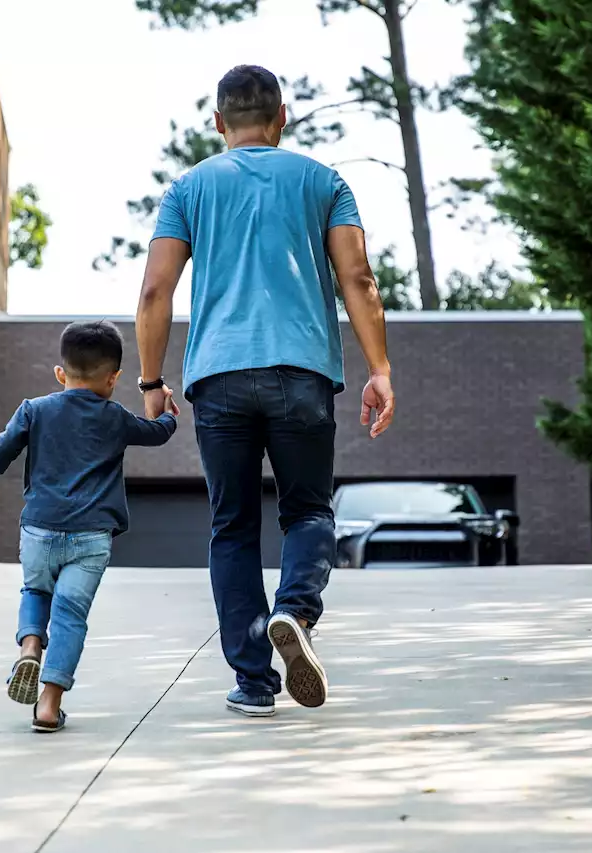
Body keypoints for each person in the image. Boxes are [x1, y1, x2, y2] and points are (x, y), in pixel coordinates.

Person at [134, 65, 395, 717]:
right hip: (301, 373)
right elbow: (358, 278)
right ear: (283, 116)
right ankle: (296, 611)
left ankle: (253, 683)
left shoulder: (189, 189)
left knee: (233, 528)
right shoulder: (323, 181)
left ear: (218, 122)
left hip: (217, 379)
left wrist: (149, 381)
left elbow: (153, 292)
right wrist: (380, 368)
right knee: (308, 510)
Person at [0, 320, 178, 732]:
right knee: (70, 615)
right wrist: (167, 412)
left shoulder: (35, 409)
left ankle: (30, 646)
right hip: (90, 538)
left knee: (35, 590)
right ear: (114, 377)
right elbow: (156, 434)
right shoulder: (116, 417)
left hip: (40, 529)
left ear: (60, 373)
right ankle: (48, 705)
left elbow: (3, 447)